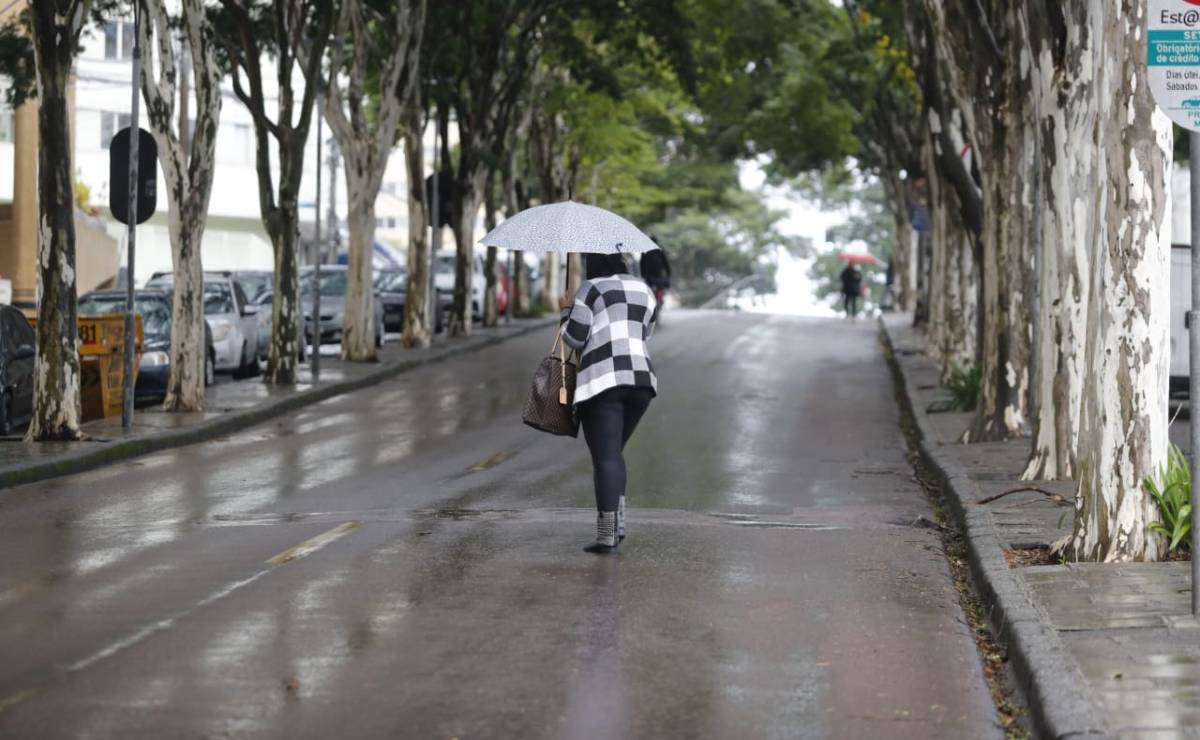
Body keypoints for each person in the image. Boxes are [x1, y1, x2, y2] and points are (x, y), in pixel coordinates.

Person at [558, 253, 659, 554]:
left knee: (605, 458)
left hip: (603, 380)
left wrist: (565, 312)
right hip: (642, 381)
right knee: (613, 454)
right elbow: (646, 332)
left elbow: (575, 338)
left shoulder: (591, 288)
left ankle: (607, 536)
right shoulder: (644, 289)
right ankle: (619, 526)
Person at [639, 238, 672, 307]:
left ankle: (653, 301)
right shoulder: (660, 250)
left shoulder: (645, 251)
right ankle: (660, 300)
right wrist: (668, 273)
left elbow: (642, 264)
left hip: (648, 275)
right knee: (659, 288)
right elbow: (665, 262)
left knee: (650, 290)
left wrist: (643, 275)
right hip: (658, 275)